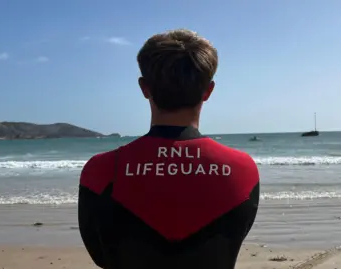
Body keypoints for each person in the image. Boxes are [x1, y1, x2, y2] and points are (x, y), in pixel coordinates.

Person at [78, 29, 260, 269]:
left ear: (144, 88)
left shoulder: (101, 170)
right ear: (208, 91)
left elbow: (100, 255)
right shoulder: (243, 170)